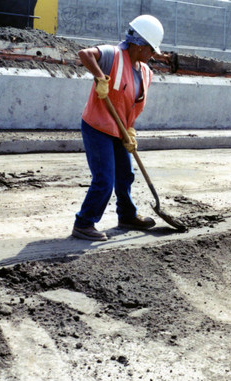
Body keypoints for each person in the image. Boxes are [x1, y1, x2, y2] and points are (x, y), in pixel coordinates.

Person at [72, 15, 164, 241]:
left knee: (126, 174)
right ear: (139, 45)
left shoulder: (145, 72)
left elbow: (132, 104)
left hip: (120, 128)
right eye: (151, 49)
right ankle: (84, 223)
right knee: (105, 178)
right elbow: (85, 54)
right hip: (98, 125)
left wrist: (130, 130)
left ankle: (127, 216)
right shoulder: (113, 55)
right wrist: (99, 76)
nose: (153, 54)